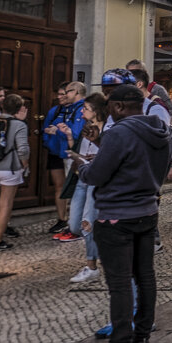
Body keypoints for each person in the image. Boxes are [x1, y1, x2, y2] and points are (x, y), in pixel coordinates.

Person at [77, 83, 172, 343]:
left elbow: (97, 174)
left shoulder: (118, 132)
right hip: (147, 211)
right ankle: (141, 340)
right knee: (145, 277)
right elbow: (154, 165)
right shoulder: (162, 132)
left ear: (118, 107)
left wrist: (81, 167)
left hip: (116, 216)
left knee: (119, 284)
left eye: (109, 107)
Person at [63, 93, 107, 282]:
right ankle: (101, 245)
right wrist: (73, 152)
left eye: (86, 109)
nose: (82, 112)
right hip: (81, 178)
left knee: (87, 222)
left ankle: (91, 266)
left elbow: (110, 155)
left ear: (96, 111)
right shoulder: (85, 127)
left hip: (96, 180)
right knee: (74, 224)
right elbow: (80, 149)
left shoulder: (108, 129)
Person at [43, 81, 87, 232]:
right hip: (61, 153)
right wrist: (51, 142)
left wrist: (58, 132)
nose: (63, 96)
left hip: (73, 155)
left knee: (77, 189)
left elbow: (75, 134)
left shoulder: (80, 109)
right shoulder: (60, 110)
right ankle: (66, 221)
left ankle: (77, 225)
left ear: (75, 92)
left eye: (67, 92)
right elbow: (46, 130)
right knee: (65, 188)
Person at [0, 94, 31, 252]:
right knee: (5, 203)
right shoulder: (19, 125)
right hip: (9, 168)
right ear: (19, 109)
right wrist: (24, 165)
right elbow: (23, 149)